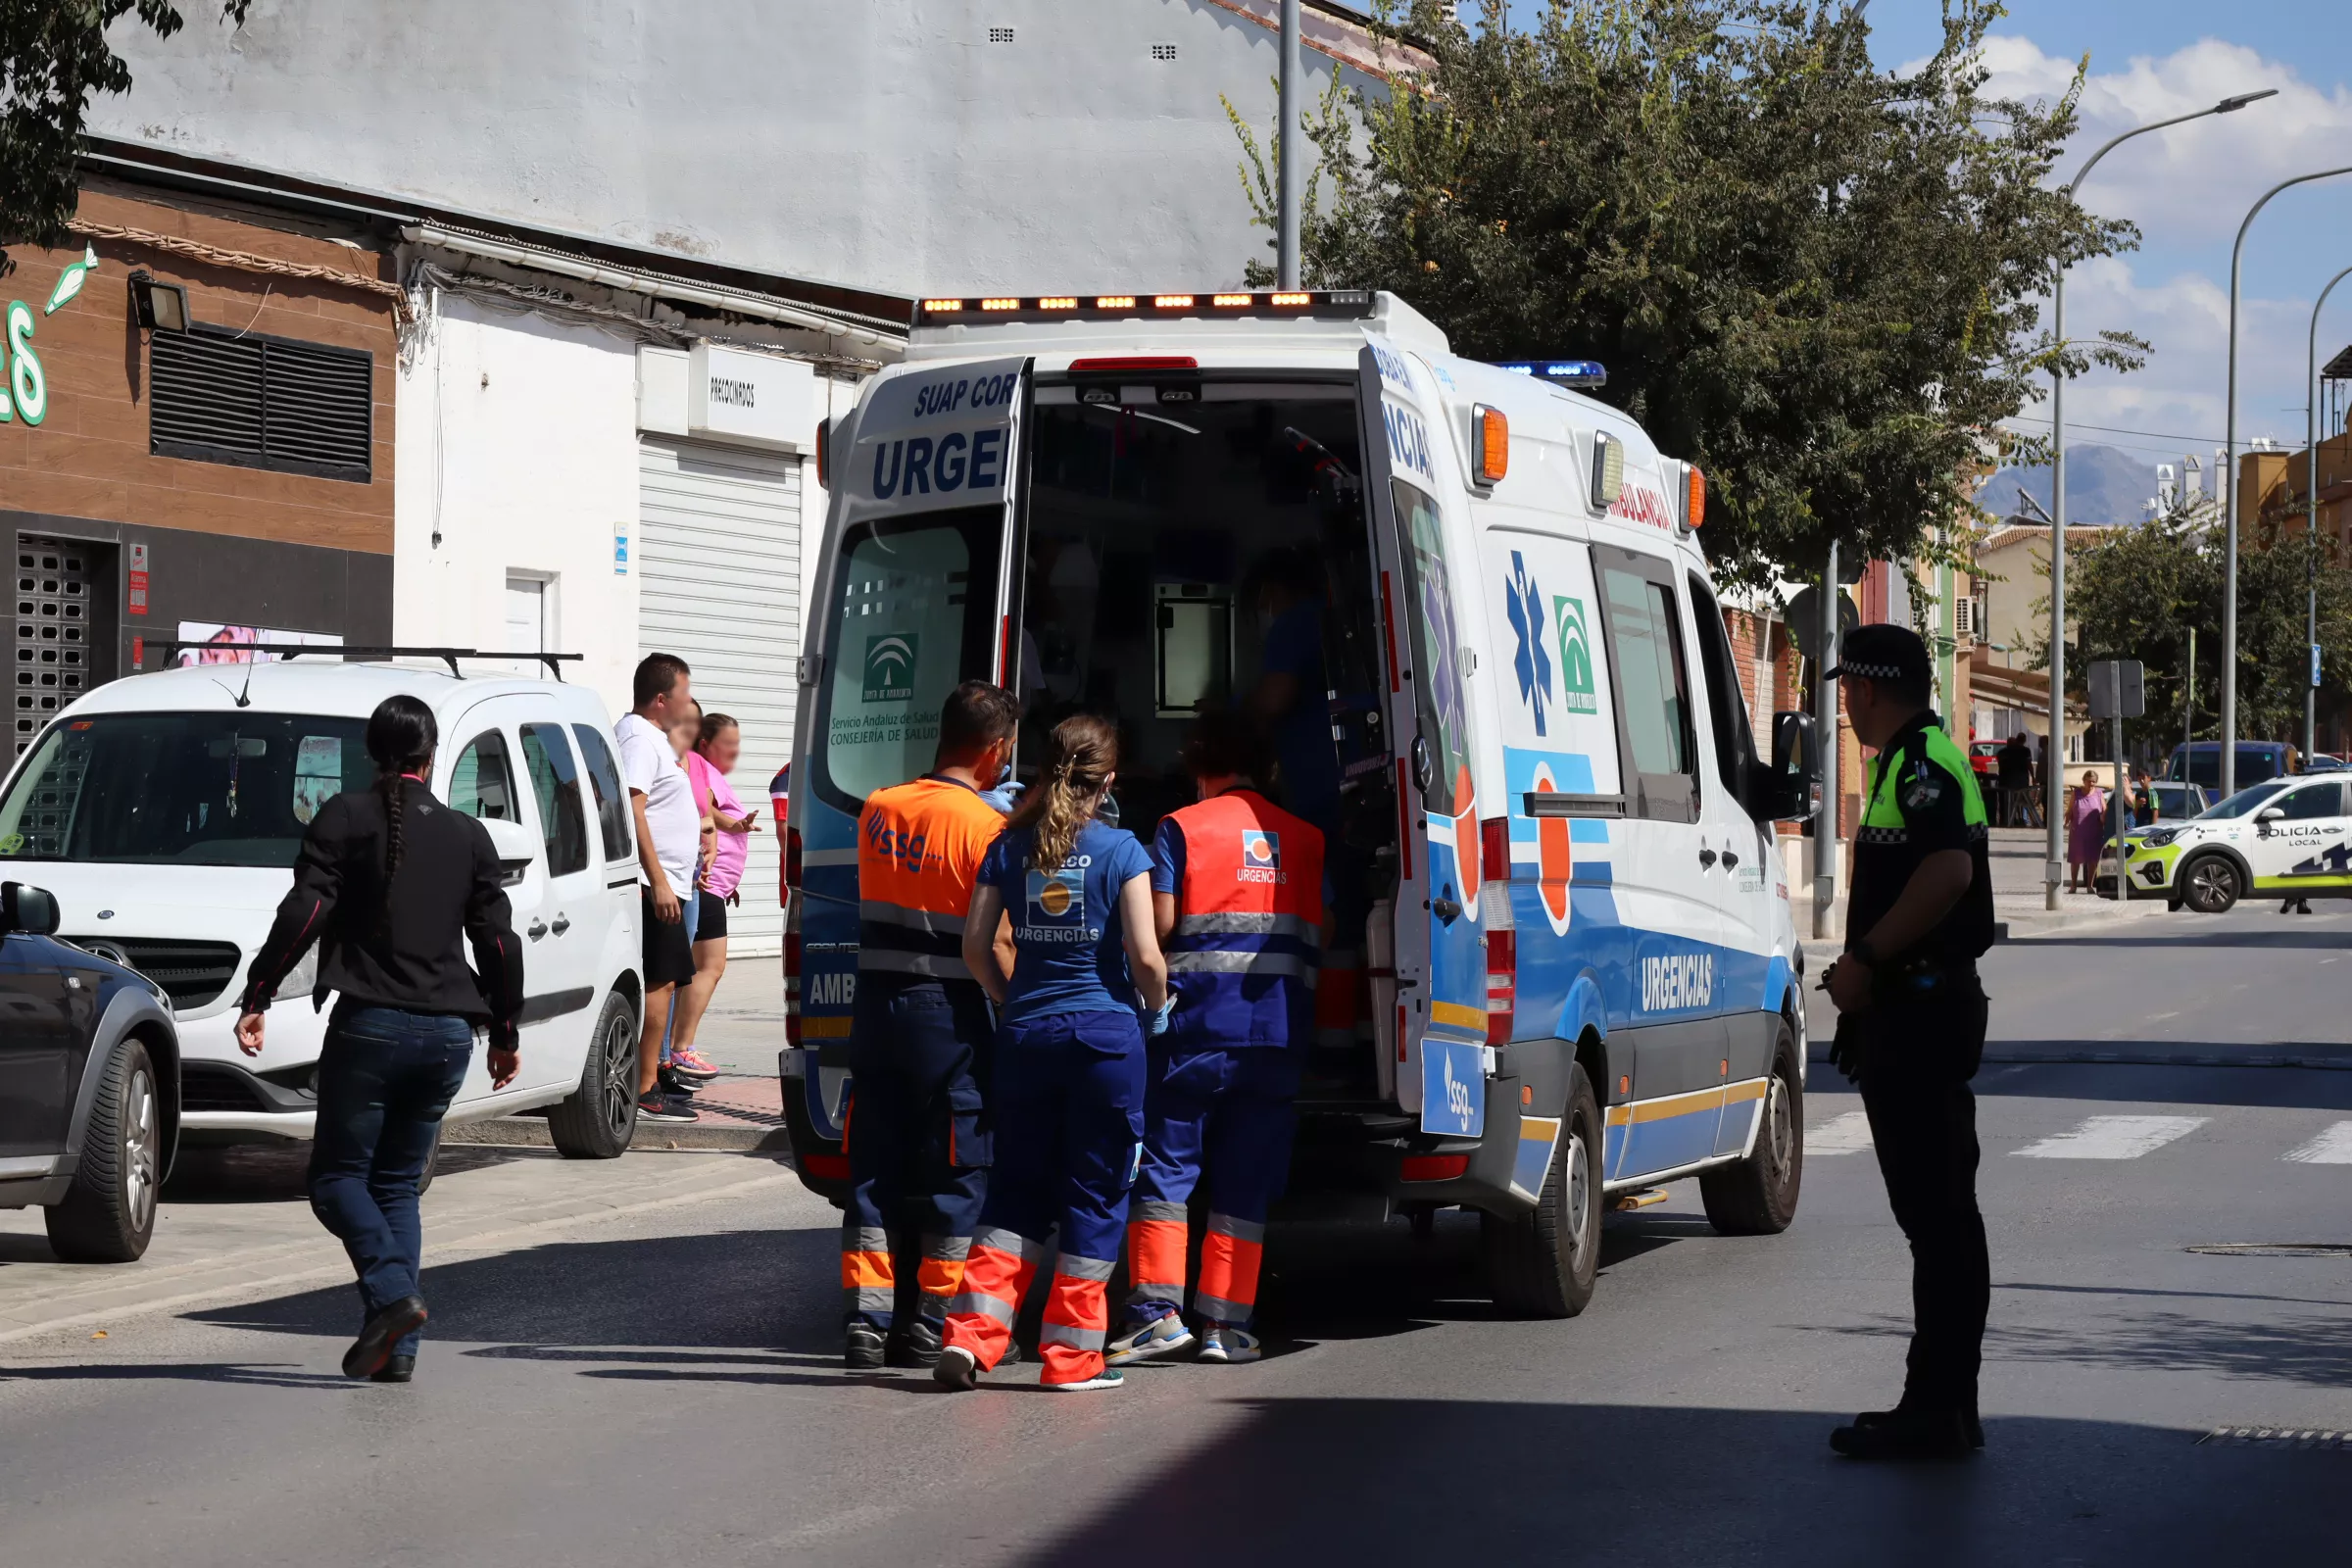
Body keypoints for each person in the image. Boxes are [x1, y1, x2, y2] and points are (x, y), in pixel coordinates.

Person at [233, 695, 523, 1384]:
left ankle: (394, 1297)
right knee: (396, 1187)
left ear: (373, 752)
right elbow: (500, 943)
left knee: (336, 1181)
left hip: (372, 1028)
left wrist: (261, 992)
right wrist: (504, 1030)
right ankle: (400, 1348)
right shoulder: (466, 834)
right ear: (431, 756)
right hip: (450, 1036)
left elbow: (306, 910)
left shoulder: (346, 817)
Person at [936, 713, 1170, 1394]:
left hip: (1028, 1039)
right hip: (1104, 1043)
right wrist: (1157, 1010)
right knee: (1095, 1195)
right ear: (1110, 781)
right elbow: (1146, 956)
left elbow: (977, 949)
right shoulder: (1124, 849)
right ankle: (1070, 1359)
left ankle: (971, 1339)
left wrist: (1013, 1003)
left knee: (1014, 1190)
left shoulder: (1008, 848)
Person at [1820, 625, 1995, 1461]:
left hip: (1922, 1012)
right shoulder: (1913, 760)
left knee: (1939, 1223)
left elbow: (1948, 873)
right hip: (1915, 1013)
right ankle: (1943, 1406)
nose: (1845, 703)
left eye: (1848, 688)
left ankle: (1938, 1409)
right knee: (1940, 1222)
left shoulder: (1922, 764)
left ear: (1866, 688)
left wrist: (1865, 959)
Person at [1107, 710, 1326, 1368]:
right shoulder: (1308, 840)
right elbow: (1326, 923)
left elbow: (1163, 922)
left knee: (1168, 1172)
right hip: (1277, 1035)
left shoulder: (1181, 826)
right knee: (1243, 1184)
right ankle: (1226, 1327)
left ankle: (1155, 1316)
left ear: (1202, 767)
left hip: (1194, 1030)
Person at [843, 681, 1021, 1369]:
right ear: (997, 750)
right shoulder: (987, 829)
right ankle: (931, 1322)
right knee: (957, 1169)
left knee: (873, 1173)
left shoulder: (877, 809)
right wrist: (1012, 1009)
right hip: (947, 1015)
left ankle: (865, 1322)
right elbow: (996, 942)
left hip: (875, 1010)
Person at [617, 653, 702, 1125]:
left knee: (666, 982)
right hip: (655, 886)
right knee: (658, 984)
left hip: (668, 881)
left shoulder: (651, 738)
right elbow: (634, 808)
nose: (688, 703)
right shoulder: (639, 740)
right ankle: (645, 1087)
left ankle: (651, 1075)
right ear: (659, 699)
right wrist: (660, 881)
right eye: (684, 694)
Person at [669, 712, 760, 1074]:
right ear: (706, 743)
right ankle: (680, 1045)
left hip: (716, 885)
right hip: (706, 882)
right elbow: (708, 811)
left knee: (700, 967)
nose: (735, 753)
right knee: (710, 966)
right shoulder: (701, 768)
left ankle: (680, 1044)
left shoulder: (705, 769)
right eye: (729, 745)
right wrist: (736, 824)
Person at [654, 699, 719, 1100]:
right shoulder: (655, 757)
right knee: (666, 974)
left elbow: (705, 812)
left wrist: (708, 844)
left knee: (680, 973)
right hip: (667, 880)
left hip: (691, 877)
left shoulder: (693, 764)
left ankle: (667, 1059)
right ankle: (659, 1064)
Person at [2066, 770, 2106, 895]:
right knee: (2075, 859)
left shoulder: (2099, 793)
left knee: (2093, 859)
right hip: (2077, 830)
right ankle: (2073, 886)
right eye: (2089, 781)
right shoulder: (2076, 793)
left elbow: (2104, 809)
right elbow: (2070, 809)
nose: (2091, 784)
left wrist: (2104, 818)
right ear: (2084, 781)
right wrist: (2066, 822)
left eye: (2094, 781)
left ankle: (2090, 885)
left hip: (2094, 830)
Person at [1996, 734, 2033, 827]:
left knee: (2006, 801)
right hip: (2020, 781)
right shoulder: (2024, 751)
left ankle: (2005, 820)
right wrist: (2033, 776)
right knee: (2023, 799)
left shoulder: (2001, 752)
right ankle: (2022, 820)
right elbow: (2029, 765)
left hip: (2005, 780)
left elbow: (2001, 765)